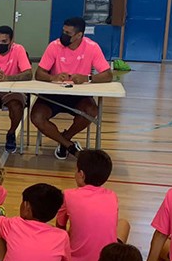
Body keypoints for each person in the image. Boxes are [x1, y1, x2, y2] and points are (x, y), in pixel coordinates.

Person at [30, 17, 114, 160]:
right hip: (54, 95)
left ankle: (65, 139)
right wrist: (53, 77)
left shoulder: (92, 47)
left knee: (92, 111)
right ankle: (69, 145)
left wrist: (87, 78)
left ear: (79, 35)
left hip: (79, 95)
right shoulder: (54, 46)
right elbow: (39, 73)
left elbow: (108, 75)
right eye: (63, 31)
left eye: (68, 33)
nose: (64, 35)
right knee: (36, 117)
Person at [56, 149, 130, 261]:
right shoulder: (112, 196)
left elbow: (60, 227)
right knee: (124, 224)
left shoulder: (67, 195)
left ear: (82, 174)